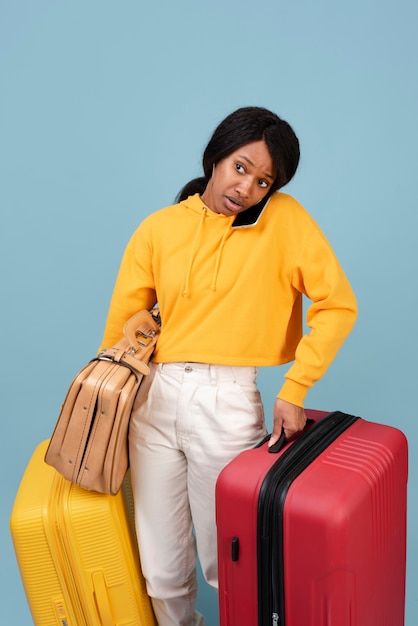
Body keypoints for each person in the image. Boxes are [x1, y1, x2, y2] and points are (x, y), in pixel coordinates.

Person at [99, 106, 357, 625]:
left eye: (263, 181)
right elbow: (124, 323)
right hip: (154, 397)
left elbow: (338, 305)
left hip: (228, 401)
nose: (247, 187)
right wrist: (112, 399)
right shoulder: (160, 227)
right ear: (217, 155)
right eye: (241, 167)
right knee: (162, 567)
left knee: (233, 560)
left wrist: (295, 387)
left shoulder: (285, 220)